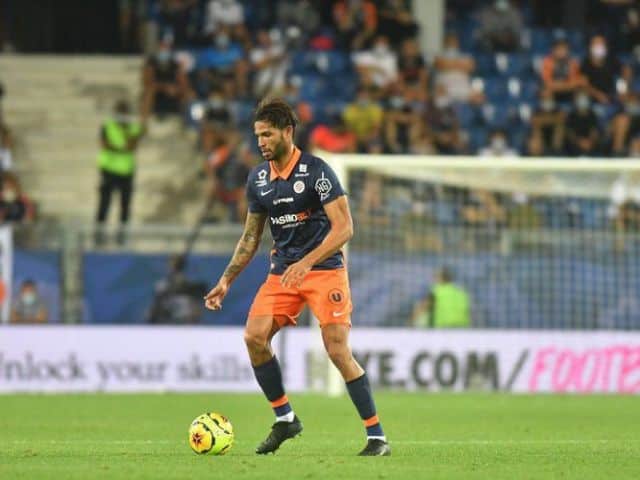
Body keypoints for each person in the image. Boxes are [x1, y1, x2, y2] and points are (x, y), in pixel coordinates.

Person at [204, 98, 390, 456]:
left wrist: (308, 261)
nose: (261, 142)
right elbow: (250, 237)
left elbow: (344, 227)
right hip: (283, 273)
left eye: (268, 134)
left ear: (288, 132)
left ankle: (376, 436)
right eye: (258, 135)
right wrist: (227, 279)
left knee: (337, 350)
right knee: (254, 337)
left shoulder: (317, 171)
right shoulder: (258, 179)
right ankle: (286, 418)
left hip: (324, 271)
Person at [95, 100, 145, 245]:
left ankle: (122, 237)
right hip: (108, 169)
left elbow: (132, 145)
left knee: (125, 205)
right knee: (104, 203)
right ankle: (99, 235)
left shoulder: (133, 128)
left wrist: (124, 138)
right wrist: (122, 147)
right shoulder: (107, 126)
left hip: (126, 171)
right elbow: (105, 144)